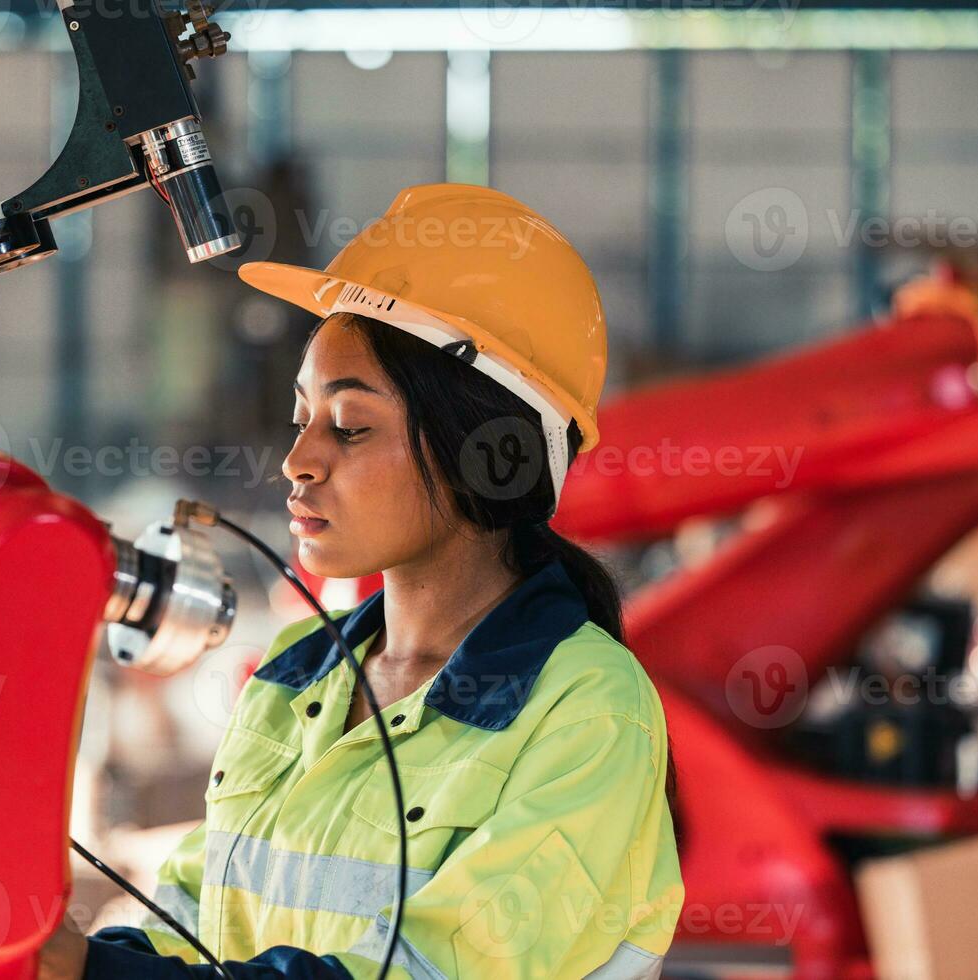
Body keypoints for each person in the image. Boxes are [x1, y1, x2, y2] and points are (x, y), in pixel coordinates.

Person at [47, 183, 684, 979]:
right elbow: (196, 924)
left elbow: (432, 970)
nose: (297, 460)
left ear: (495, 458)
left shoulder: (587, 708)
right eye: (301, 418)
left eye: (349, 426)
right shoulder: (295, 673)